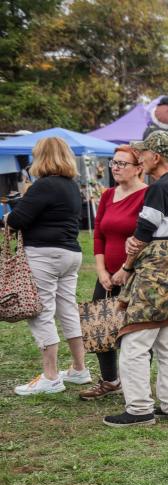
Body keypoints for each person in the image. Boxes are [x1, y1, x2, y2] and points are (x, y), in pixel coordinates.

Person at [103, 131, 168, 427]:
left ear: (156, 156)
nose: (139, 157)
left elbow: (143, 232)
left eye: (143, 153)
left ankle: (139, 408)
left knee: (135, 339)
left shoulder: (160, 187)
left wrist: (127, 265)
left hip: (156, 273)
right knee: (166, 340)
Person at [7, 136, 91, 395]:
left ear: (40, 157)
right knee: (67, 309)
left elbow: (19, 218)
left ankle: (51, 376)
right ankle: (79, 368)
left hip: (44, 253)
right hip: (70, 253)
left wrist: (13, 210)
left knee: (41, 312)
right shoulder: (71, 186)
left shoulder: (43, 186)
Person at [79, 145, 148, 400]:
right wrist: (101, 271)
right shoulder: (108, 195)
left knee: (135, 330)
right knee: (99, 325)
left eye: (122, 164)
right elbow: (98, 234)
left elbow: (146, 236)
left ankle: (136, 384)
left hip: (135, 274)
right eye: (114, 163)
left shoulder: (147, 195)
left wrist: (125, 269)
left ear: (139, 168)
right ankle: (110, 380)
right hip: (107, 276)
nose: (116, 168)